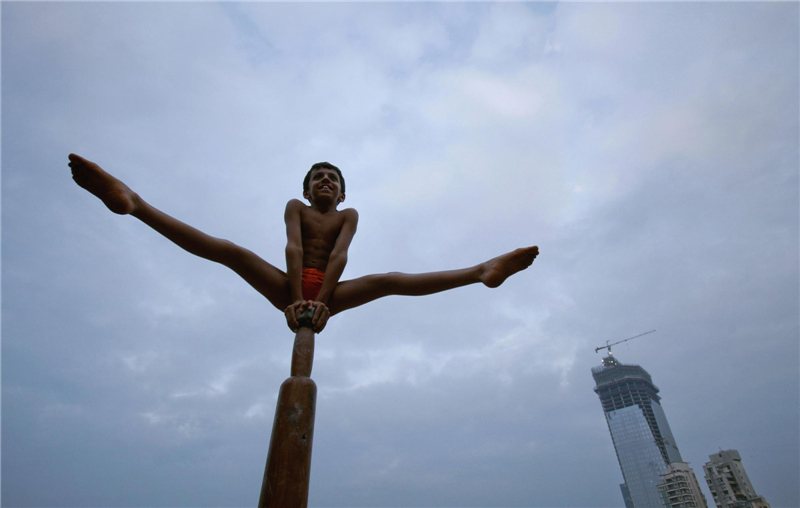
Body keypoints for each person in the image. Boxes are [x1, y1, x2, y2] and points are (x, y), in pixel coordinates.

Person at [68, 154, 539, 333]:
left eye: (333, 177)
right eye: (319, 177)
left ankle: (481, 271)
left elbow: (340, 255)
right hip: (289, 284)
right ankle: (136, 203)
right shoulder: (296, 207)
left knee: (390, 280)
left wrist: (322, 302)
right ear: (307, 188)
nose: (326, 181)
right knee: (232, 253)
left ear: (344, 192)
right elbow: (293, 249)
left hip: (331, 290)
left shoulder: (349, 215)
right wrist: (296, 301)